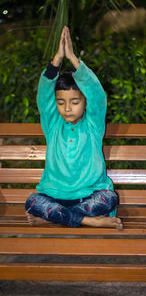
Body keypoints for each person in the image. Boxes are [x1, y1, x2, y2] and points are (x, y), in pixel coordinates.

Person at [25, 26, 123, 229]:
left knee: (109, 198)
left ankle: (55, 218)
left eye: (75, 102)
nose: (67, 108)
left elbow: (97, 95)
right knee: (33, 202)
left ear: (85, 102)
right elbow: (44, 95)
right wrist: (57, 59)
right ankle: (87, 221)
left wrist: (72, 57)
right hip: (55, 197)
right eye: (61, 103)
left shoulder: (93, 124)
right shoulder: (53, 125)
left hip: (89, 196)